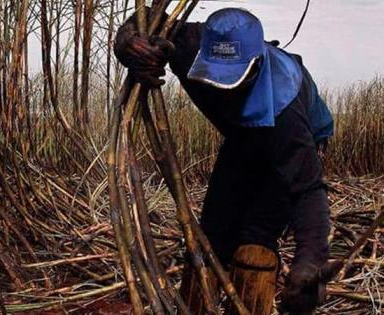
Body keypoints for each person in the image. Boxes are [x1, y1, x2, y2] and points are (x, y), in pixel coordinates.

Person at [114, 7, 334, 315]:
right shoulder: (188, 45)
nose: (225, 92)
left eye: (234, 81)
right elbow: (144, 18)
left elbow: (308, 190)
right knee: (211, 237)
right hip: (241, 135)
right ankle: (195, 306)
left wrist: (310, 262)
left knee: (255, 240)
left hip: (286, 130)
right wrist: (129, 45)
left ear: (255, 67)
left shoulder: (288, 115)